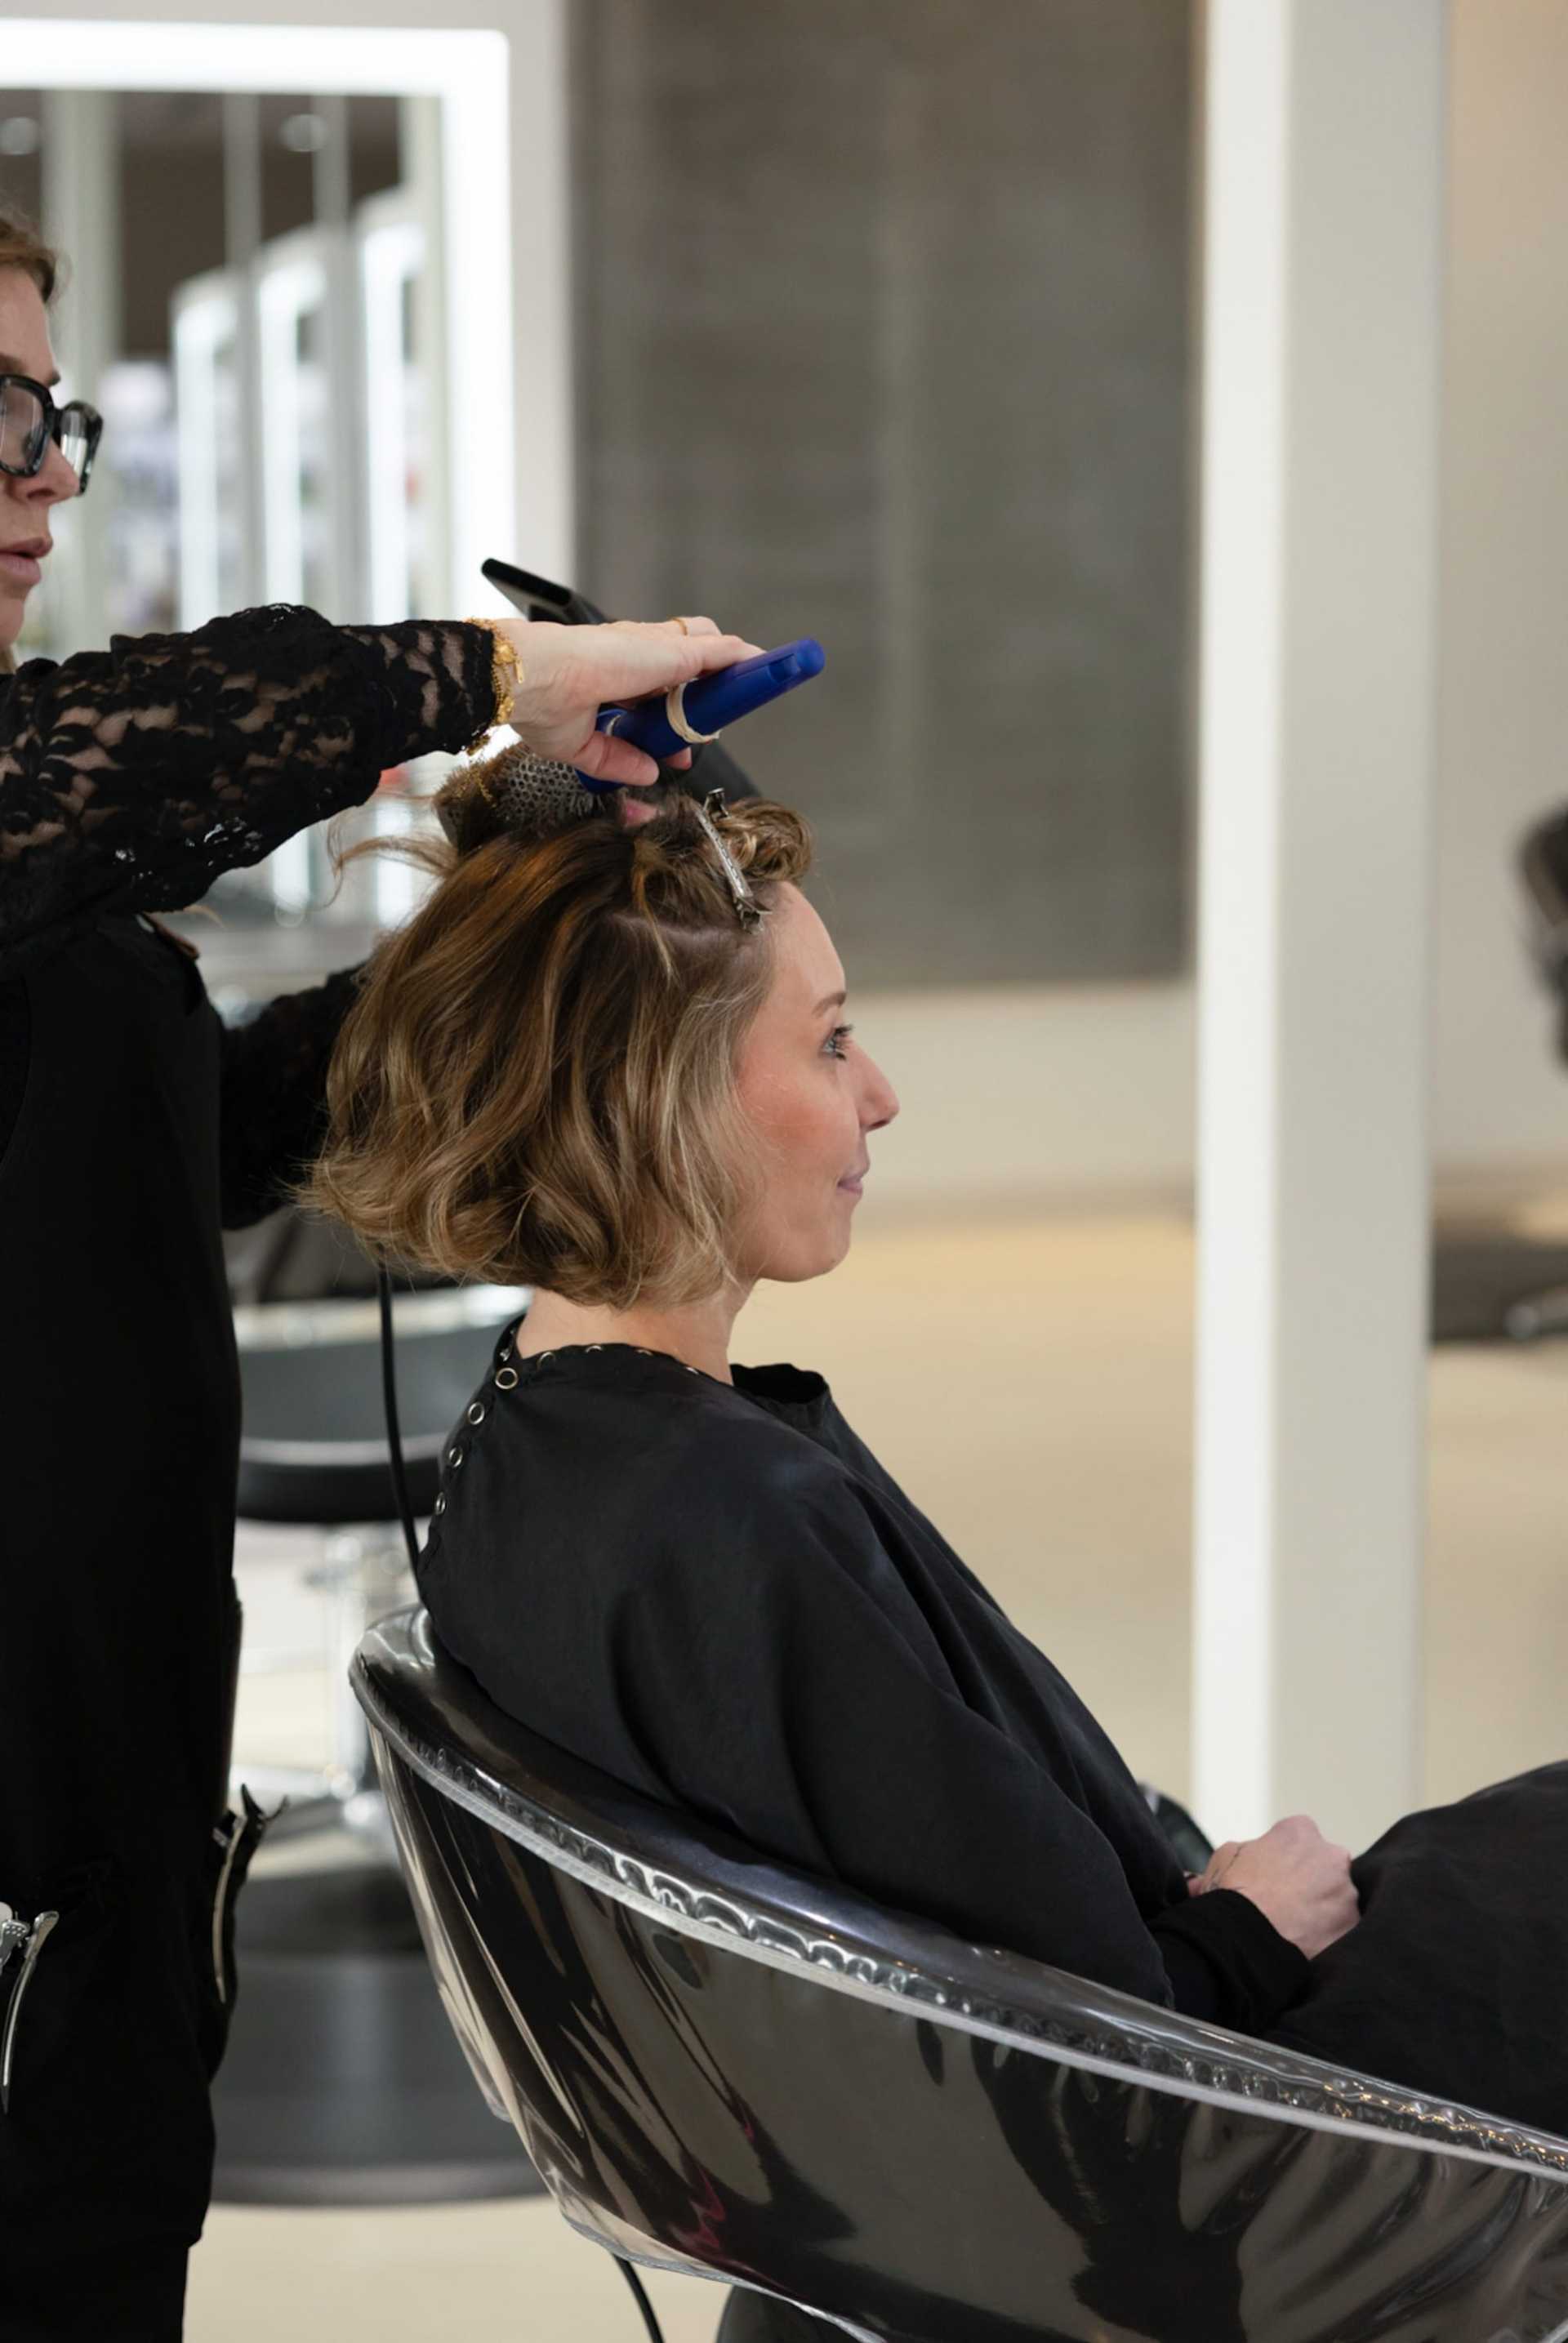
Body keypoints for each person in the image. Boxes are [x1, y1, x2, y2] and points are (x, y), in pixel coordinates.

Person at [312, 759, 1568, 2153]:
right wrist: (1251, 1930)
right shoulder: (725, 1525)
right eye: (834, 1042)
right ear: (661, 1095)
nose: (885, 1095)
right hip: (1241, 2120)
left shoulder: (531, 1438)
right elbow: (1103, 2038)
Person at [0, 207, 760, 2341]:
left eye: (51, 414)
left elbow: (196, 1146)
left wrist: (507, 871)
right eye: (0, 413)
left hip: (94, 1833)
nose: (49, 469)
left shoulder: (46, 875)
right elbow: (148, 737)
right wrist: (480, 673)